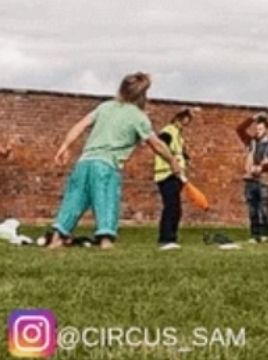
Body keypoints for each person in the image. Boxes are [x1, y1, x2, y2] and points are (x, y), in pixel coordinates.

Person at [48, 72, 182, 249]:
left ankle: (58, 237)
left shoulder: (105, 107)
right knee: (106, 201)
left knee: (74, 200)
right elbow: (156, 144)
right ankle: (105, 240)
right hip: (106, 165)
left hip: (84, 162)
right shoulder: (138, 117)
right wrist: (173, 161)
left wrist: (65, 146)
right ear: (142, 95)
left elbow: (81, 125)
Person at [236, 112, 268, 241]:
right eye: (256, 129)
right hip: (250, 178)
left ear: (267, 129)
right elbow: (239, 129)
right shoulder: (252, 142)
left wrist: (262, 168)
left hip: (263, 179)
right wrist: (253, 118)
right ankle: (254, 234)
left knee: (264, 207)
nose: (258, 131)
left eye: (261, 129)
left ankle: (265, 234)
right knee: (252, 208)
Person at [153, 108, 195, 250]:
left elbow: (180, 152)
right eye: (184, 123)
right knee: (172, 207)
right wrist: (174, 163)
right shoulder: (169, 130)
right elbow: (161, 145)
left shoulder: (178, 135)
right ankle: (166, 238)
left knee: (175, 208)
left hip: (175, 176)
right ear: (178, 119)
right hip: (166, 174)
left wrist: (186, 159)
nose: (184, 126)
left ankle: (171, 237)